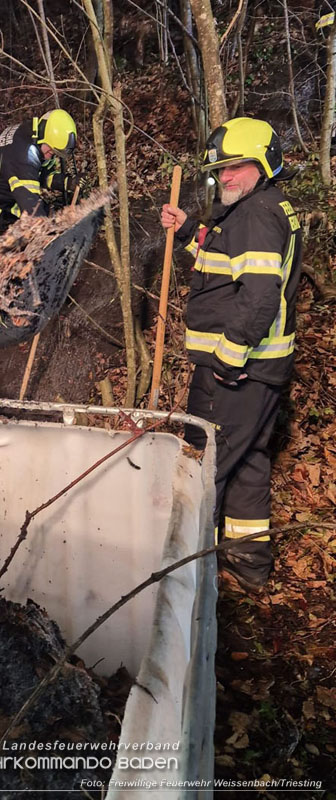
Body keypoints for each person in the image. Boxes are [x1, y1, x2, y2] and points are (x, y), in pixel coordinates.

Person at [161, 117, 302, 590]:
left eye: (237, 167)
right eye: (221, 169)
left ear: (265, 164)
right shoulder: (260, 208)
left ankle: (186, 580)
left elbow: (259, 295)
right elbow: (227, 260)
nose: (225, 177)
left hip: (235, 374)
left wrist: (227, 358)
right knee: (248, 463)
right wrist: (188, 233)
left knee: (204, 470)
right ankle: (248, 564)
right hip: (261, 373)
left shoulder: (256, 214)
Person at [0, 108, 81, 323]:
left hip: (1, 195)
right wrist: (50, 239)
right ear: (44, 136)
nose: (51, 155)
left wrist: (62, 182)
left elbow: (38, 171)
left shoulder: (33, 132)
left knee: (10, 249)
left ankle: (6, 298)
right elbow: (32, 209)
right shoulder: (21, 154)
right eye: (51, 151)